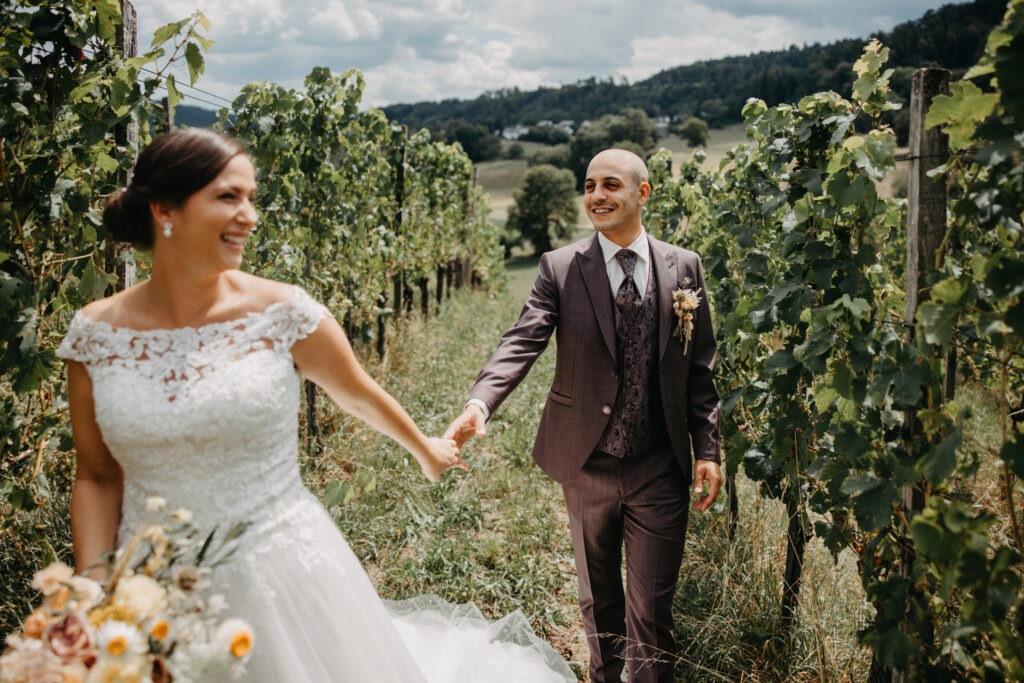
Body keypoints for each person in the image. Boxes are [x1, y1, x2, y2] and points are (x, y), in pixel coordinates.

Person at [57, 128, 574, 683]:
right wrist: (95, 592)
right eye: (229, 197)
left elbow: (357, 393)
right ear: (165, 208)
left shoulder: (282, 312)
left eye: (252, 198)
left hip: (278, 569)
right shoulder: (95, 333)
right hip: (151, 580)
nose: (249, 216)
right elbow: (96, 475)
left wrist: (425, 449)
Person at [444, 149, 724, 682]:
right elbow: (521, 341)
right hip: (586, 460)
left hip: (660, 464)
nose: (597, 195)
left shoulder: (683, 266)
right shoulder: (561, 266)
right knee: (600, 603)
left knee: (653, 613)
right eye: (590, 185)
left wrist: (707, 448)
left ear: (642, 193)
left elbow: (700, 367)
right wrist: (479, 403)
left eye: (611, 185)